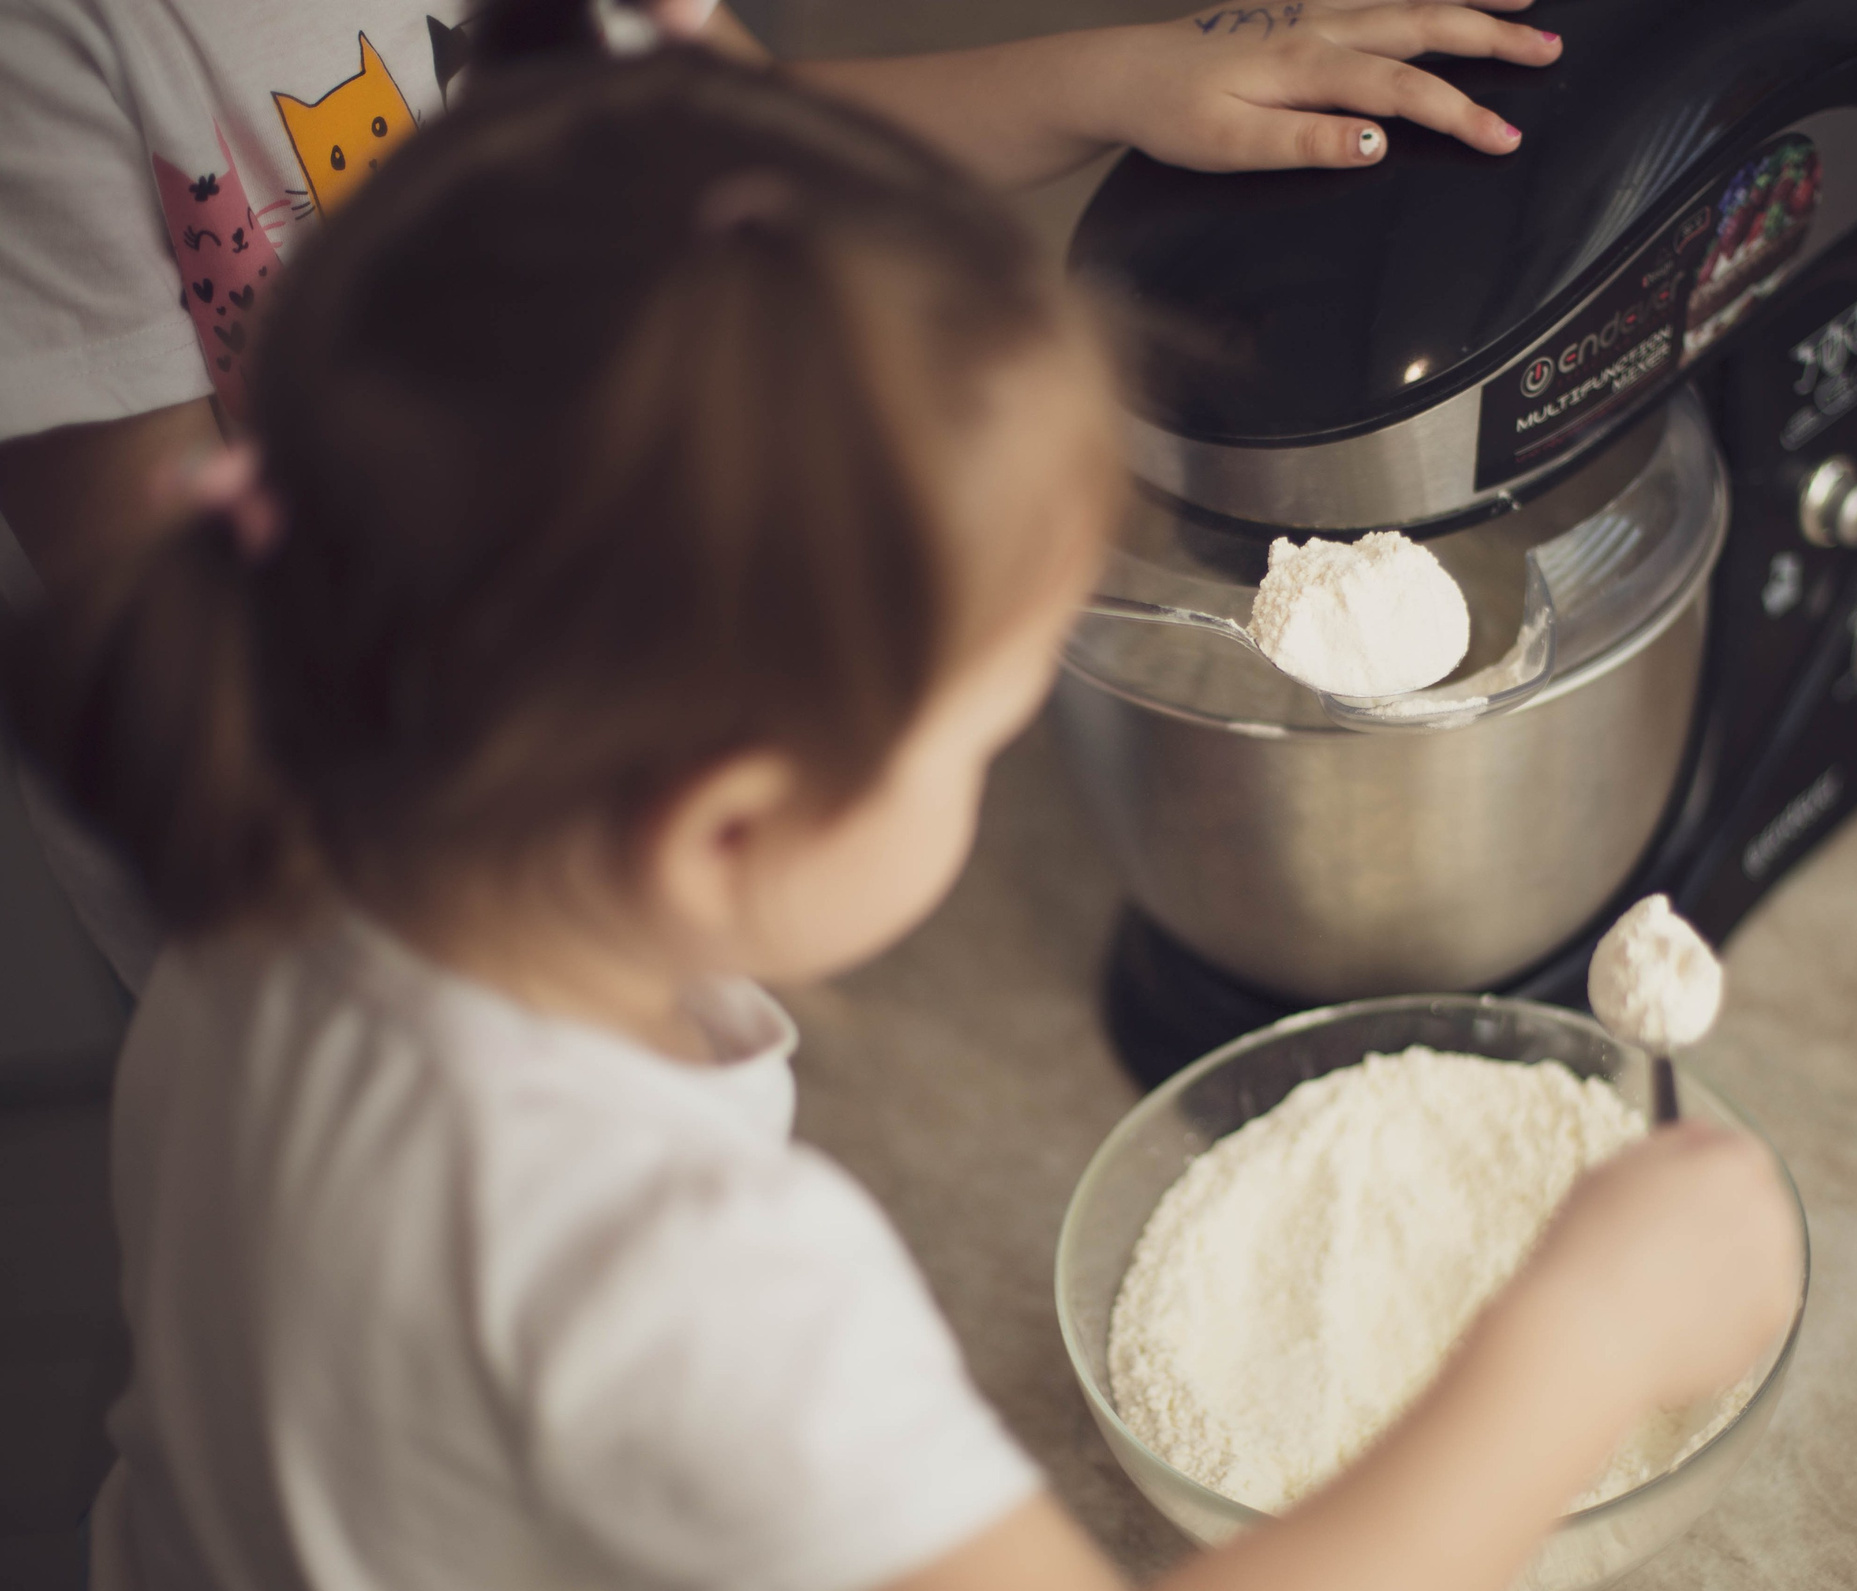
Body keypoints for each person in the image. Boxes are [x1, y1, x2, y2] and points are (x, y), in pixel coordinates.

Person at [2, 39, 1803, 1591]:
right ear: (727, 825)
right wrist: (1577, 1341)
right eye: (974, 738)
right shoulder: (672, 1275)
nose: (996, 773)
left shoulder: (269, 883)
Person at [0, 0, 1562, 986]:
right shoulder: (60, 48)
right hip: (323, 875)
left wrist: (1112, 77)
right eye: (968, 736)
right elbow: (144, 597)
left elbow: (735, 145)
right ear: (725, 816)